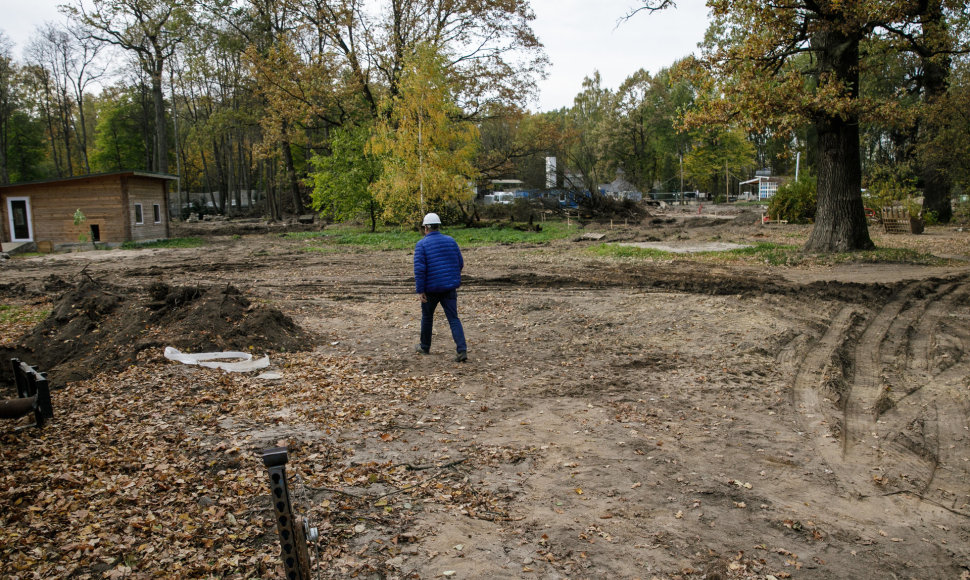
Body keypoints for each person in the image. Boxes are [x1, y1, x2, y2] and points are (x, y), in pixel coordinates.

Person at [413, 212, 467, 362]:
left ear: (426, 228)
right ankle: (462, 350)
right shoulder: (451, 241)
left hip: (431, 290)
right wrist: (451, 278)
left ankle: (424, 346)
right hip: (449, 288)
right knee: (453, 318)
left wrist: (420, 290)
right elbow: (460, 263)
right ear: (438, 226)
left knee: (427, 317)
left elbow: (419, 270)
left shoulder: (421, 245)